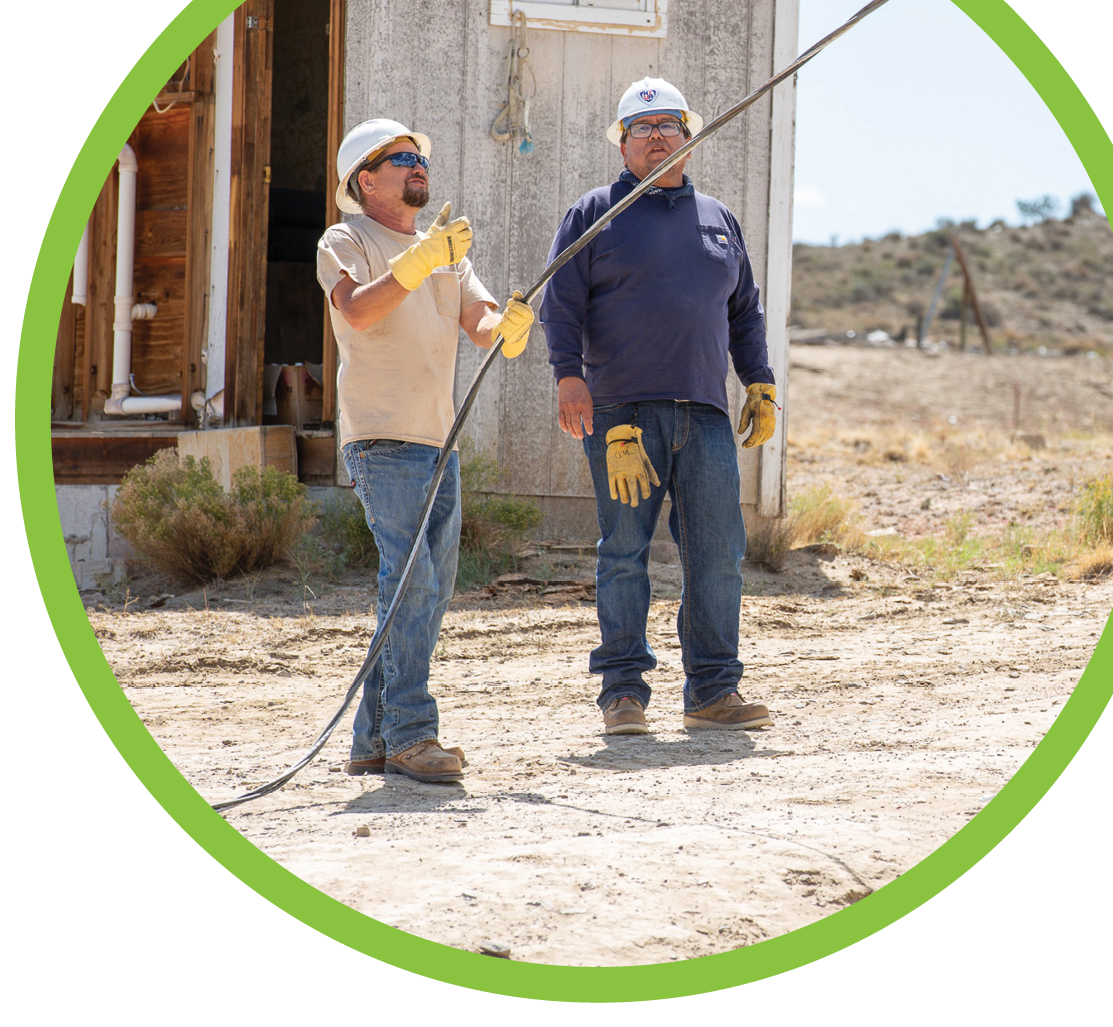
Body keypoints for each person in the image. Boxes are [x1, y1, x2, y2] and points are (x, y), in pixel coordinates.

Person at [539, 78, 778, 736]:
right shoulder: (594, 214)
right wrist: (569, 378)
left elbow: (744, 310)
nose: (656, 137)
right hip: (624, 419)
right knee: (623, 552)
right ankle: (623, 695)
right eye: (641, 129)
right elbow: (560, 305)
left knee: (718, 553)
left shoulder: (720, 220)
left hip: (704, 414)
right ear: (622, 143)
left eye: (668, 125)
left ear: (689, 138)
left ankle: (712, 692)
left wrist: (759, 382)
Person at [317, 118, 534, 782]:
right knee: (411, 586)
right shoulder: (345, 239)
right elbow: (356, 311)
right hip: (383, 440)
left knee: (422, 596)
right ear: (366, 179)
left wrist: (510, 326)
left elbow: (482, 322)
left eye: (420, 158)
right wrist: (419, 260)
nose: (418, 166)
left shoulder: (449, 254)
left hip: (439, 444)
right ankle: (413, 734)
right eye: (401, 158)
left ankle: (372, 739)